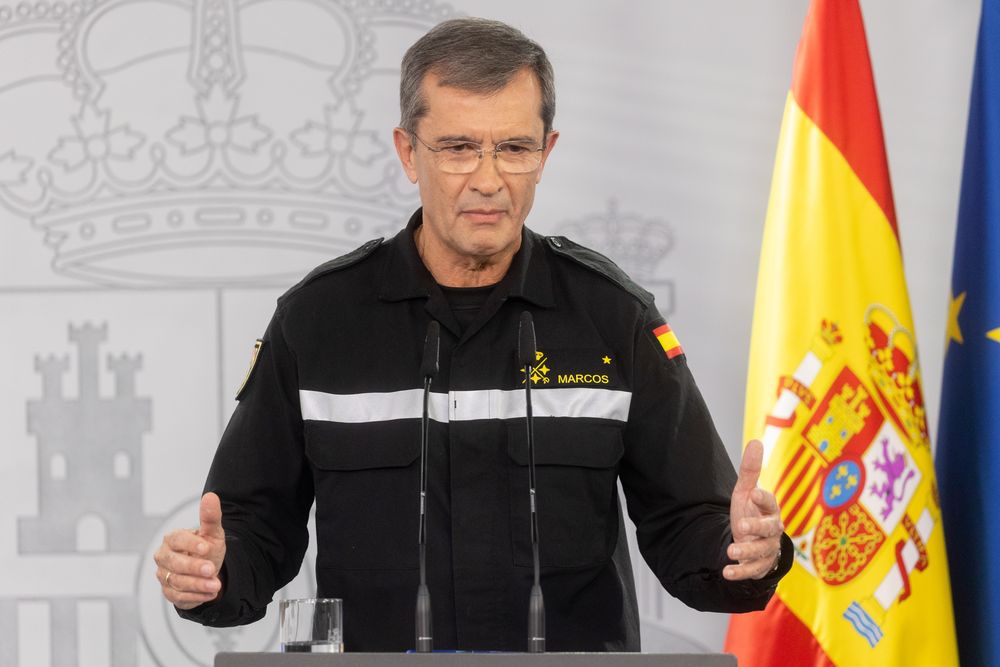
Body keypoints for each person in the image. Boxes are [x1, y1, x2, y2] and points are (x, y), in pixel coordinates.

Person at [153, 17, 792, 652]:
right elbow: (254, 525)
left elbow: (691, 525)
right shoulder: (318, 322)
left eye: (514, 147)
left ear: (546, 152)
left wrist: (741, 551)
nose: (488, 179)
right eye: (458, 147)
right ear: (408, 152)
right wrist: (216, 573)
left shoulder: (613, 316)